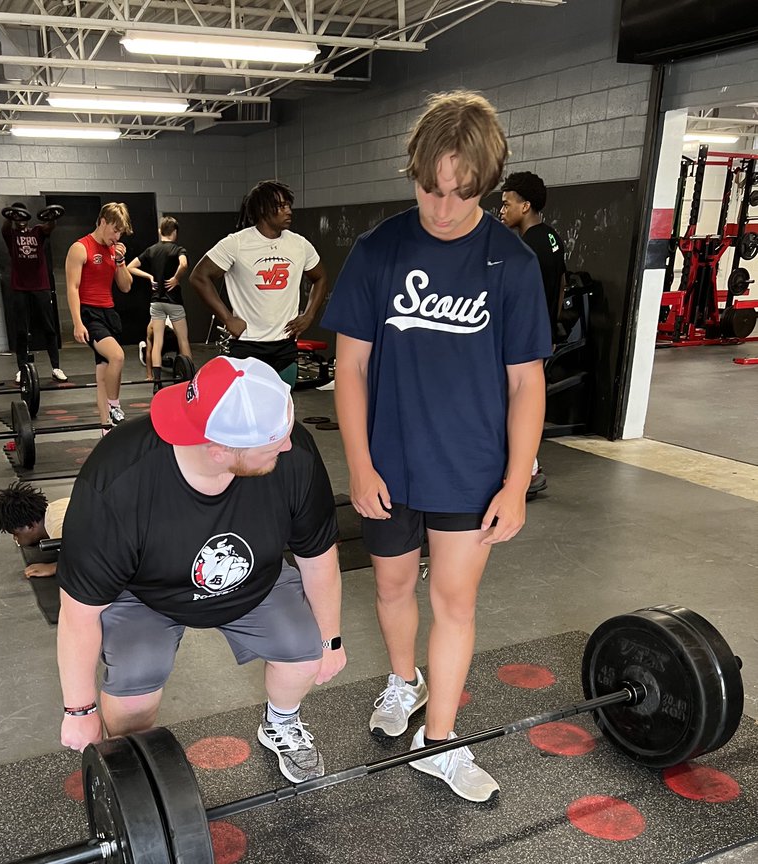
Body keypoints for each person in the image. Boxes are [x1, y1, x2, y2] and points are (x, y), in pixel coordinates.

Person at [323, 90, 551, 803]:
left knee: (454, 602)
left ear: (490, 186)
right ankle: (403, 682)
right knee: (392, 587)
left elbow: (527, 384)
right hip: (389, 466)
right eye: (431, 188)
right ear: (413, 172)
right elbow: (350, 367)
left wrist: (515, 483)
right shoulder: (379, 251)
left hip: (471, 471)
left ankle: (441, 740)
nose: (444, 207)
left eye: (463, 193)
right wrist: (358, 464)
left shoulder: (510, 263)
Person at [55, 355, 347, 784]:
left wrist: (331, 637)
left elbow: (318, 555)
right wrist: (79, 710)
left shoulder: (294, 452)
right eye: (272, 445)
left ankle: (281, 724)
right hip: (145, 595)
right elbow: (79, 612)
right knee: (135, 689)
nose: (287, 445)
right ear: (218, 450)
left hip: (256, 582)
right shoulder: (118, 481)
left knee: (305, 655)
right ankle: (136, 767)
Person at [189, 181, 327, 386]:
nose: (288, 211)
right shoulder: (236, 243)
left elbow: (320, 277)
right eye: (281, 206)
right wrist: (227, 318)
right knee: (248, 410)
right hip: (248, 345)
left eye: (289, 205)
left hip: (285, 345)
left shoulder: (299, 244)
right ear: (262, 209)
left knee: (282, 409)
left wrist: (309, 315)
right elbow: (199, 277)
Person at [500, 172, 568, 497]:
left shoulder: (525, 248)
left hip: (524, 341)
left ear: (525, 205)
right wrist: (552, 328)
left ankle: (528, 471)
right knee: (522, 402)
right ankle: (526, 469)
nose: (501, 210)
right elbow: (562, 286)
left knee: (515, 405)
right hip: (541, 336)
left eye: (506, 203)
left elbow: (518, 298)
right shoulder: (553, 238)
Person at [65, 201, 133, 427]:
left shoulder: (114, 251)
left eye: (120, 232)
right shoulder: (80, 248)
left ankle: (106, 429)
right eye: (115, 230)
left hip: (108, 312)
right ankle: (115, 407)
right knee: (117, 356)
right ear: (103, 222)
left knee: (103, 375)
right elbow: (72, 287)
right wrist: (77, 323)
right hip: (89, 314)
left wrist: (121, 262)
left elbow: (125, 287)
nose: (117, 236)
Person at [1, 203, 67, 385]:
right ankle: (22, 369)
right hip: (20, 287)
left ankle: (56, 367)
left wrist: (53, 217)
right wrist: (10, 216)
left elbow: (49, 227)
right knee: (22, 330)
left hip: (40, 286)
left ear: (28, 218)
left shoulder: (37, 231)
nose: (21, 221)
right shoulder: (11, 235)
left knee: (49, 327)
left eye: (23, 218)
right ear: (14, 219)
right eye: (17, 218)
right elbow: (4, 227)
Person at [127, 215, 193, 383]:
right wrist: (177, 278)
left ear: (159, 231)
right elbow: (184, 264)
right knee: (183, 340)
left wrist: (149, 277)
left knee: (157, 342)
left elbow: (130, 267)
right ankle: (190, 379)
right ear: (175, 232)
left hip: (156, 302)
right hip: (174, 301)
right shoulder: (178, 249)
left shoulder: (152, 250)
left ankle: (156, 382)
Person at [0, 482, 69, 578]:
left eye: (15, 534)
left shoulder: (59, 530)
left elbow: (86, 560)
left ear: (30, 526)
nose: (15, 538)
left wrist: (54, 567)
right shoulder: (56, 506)